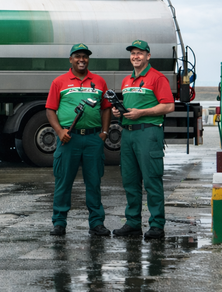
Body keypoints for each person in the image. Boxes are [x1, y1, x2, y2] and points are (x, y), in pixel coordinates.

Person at [46, 43, 112, 236]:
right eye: (77, 56)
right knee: (64, 181)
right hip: (69, 139)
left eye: (85, 56)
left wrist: (105, 133)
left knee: (94, 181)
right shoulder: (60, 82)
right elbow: (50, 109)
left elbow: (106, 107)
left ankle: (96, 223)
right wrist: (59, 131)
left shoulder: (99, 81)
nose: (81, 60)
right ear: (71, 59)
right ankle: (59, 222)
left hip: (93, 139)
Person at [112, 40, 175, 240]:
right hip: (128, 133)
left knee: (151, 180)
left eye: (140, 53)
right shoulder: (127, 80)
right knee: (130, 181)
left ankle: (157, 225)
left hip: (148, 133)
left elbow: (169, 106)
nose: (136, 56)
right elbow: (130, 106)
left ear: (148, 56)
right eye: (133, 53)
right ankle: (132, 223)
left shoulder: (157, 78)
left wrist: (142, 113)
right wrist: (118, 110)